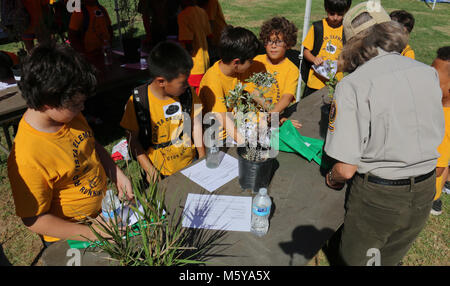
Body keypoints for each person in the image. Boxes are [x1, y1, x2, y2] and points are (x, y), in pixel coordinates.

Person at [323, 2, 445, 266]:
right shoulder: (427, 73)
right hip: (425, 188)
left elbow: (345, 169)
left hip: (379, 195)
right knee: (389, 258)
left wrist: (331, 178)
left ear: (352, 42)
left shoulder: (353, 85)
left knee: (356, 261)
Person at [7, 43, 134, 246]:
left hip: (101, 219)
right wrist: (92, 233)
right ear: (48, 102)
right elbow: (33, 219)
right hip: (70, 237)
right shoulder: (28, 156)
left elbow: (90, 144)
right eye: (76, 104)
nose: (82, 107)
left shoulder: (68, 116)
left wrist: (117, 174)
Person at [120, 41, 205, 181]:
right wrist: (150, 170)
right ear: (161, 81)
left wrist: (202, 156)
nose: (187, 85)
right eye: (182, 82)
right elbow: (132, 140)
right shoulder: (139, 102)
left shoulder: (187, 93)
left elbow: (196, 123)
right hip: (159, 172)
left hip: (191, 163)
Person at [198, 26, 261, 145]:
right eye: (251, 61)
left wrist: (273, 111)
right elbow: (222, 118)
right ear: (236, 62)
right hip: (219, 138)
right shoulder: (213, 79)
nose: (252, 64)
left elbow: (255, 93)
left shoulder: (238, 71)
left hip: (239, 130)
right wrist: (245, 143)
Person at [249, 16, 299, 115]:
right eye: (270, 41)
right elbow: (250, 89)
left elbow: (287, 97)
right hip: (252, 116)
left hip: (276, 115)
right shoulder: (256, 61)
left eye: (279, 42)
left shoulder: (291, 69)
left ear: (288, 44)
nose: (273, 46)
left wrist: (273, 114)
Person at [301, 0, 352, 98]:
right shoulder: (318, 27)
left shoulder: (346, 30)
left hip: (336, 83)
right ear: (326, 9)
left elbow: (350, 56)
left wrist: (340, 63)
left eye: (340, 14)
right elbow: (306, 51)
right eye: (332, 13)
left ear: (346, 11)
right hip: (315, 83)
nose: (335, 18)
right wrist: (314, 59)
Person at [431, 46, 450, 216]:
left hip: (425, 191)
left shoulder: (445, 120)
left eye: (435, 77)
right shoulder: (434, 106)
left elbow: (438, 167)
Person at [178, 0, 212, 94]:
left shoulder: (183, 16)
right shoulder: (202, 12)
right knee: (202, 92)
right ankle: (200, 108)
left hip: (193, 65)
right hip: (205, 61)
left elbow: (188, 42)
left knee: (194, 96)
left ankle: (197, 109)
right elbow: (209, 35)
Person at [68, 0, 113, 65]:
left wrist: (110, 44)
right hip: (90, 57)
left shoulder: (102, 9)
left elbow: (109, 28)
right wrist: (84, 54)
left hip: (104, 53)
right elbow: (72, 36)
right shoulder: (78, 12)